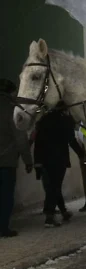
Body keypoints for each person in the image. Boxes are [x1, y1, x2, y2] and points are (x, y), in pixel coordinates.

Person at [33, 107, 84, 228]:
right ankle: (49, 216)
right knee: (55, 187)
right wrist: (82, 155)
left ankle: (63, 211)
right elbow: (71, 140)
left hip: (44, 159)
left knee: (52, 186)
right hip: (59, 159)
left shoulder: (43, 120)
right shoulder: (66, 120)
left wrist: (37, 161)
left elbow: (38, 142)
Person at [0, 79, 33, 237]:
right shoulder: (12, 110)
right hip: (6, 162)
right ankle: (3, 228)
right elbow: (21, 139)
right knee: (5, 195)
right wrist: (28, 161)